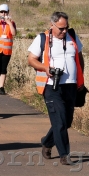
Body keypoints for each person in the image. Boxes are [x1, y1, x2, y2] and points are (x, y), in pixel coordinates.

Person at [27, 11, 84, 166]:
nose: (64, 31)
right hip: (51, 86)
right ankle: (64, 155)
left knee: (67, 121)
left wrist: (81, 80)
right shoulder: (42, 38)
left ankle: (46, 142)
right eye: (61, 28)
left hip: (71, 85)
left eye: (66, 28)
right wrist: (46, 68)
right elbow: (31, 60)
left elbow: (79, 58)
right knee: (59, 122)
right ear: (51, 25)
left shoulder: (72, 36)